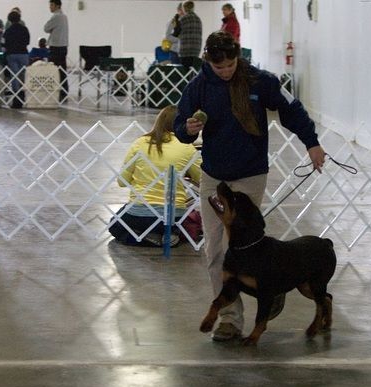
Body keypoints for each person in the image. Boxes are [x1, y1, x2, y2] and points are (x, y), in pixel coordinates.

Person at [174, 30, 326, 342]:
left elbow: (291, 109)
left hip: (250, 174)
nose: (226, 71)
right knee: (215, 250)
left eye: (230, 65)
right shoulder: (198, 87)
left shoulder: (261, 81)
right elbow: (180, 127)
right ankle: (230, 319)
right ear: (208, 62)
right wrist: (187, 129)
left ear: (237, 57)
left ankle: (273, 287)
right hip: (214, 177)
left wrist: (312, 143)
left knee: (248, 246)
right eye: (219, 67)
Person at [109, 105, 201, 247]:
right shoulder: (187, 147)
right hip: (173, 215)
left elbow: (122, 181)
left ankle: (147, 238)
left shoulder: (140, 143)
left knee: (114, 226)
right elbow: (201, 177)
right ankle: (168, 234)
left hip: (139, 212)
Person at [3, 10, 29, 109]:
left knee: (14, 76)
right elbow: (27, 41)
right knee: (23, 76)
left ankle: (16, 99)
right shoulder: (24, 29)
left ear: (9, 20)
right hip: (23, 54)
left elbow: (3, 43)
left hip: (12, 54)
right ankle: (23, 95)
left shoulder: (8, 31)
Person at [43, 0, 68, 102]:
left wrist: (51, 29)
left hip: (56, 47)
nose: (50, 7)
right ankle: (64, 92)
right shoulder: (64, 16)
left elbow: (46, 28)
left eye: (52, 5)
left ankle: (55, 92)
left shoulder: (56, 17)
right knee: (62, 70)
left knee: (54, 70)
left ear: (57, 6)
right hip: (63, 46)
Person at [178, 1, 202, 69]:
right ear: (193, 8)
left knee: (184, 71)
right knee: (193, 70)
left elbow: (177, 33)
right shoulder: (198, 19)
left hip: (185, 49)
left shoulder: (183, 19)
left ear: (184, 8)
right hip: (196, 49)